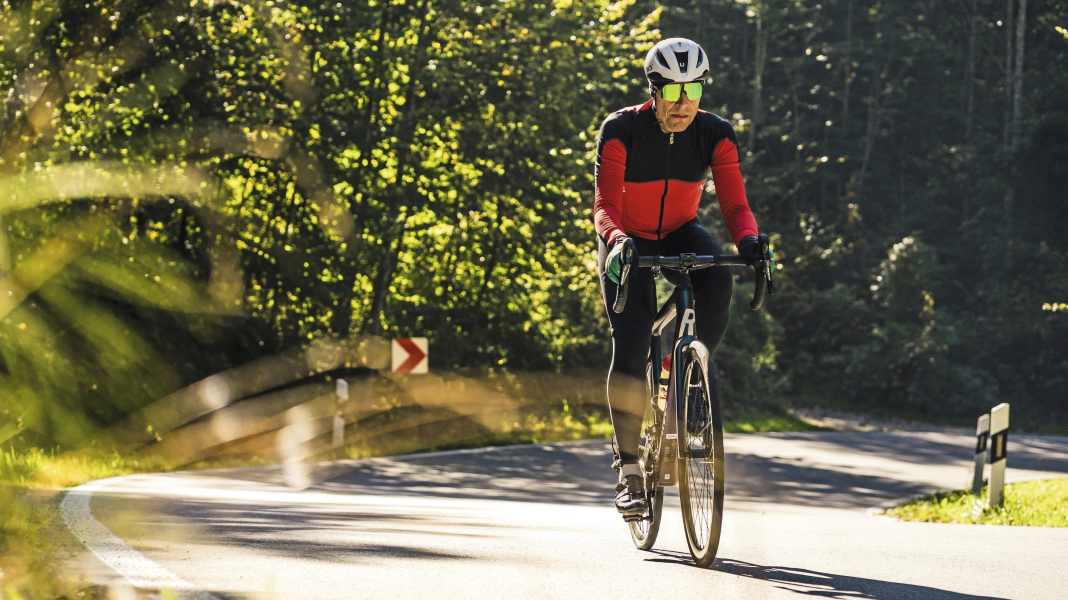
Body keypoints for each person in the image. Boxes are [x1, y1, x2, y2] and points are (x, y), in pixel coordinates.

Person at [593, 38, 763, 518]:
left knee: (718, 279)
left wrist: (749, 241)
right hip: (627, 239)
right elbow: (605, 205)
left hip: (679, 231)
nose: (683, 103)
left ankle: (691, 385)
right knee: (631, 343)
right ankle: (629, 471)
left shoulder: (716, 133)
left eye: (693, 90)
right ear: (654, 90)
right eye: (672, 91)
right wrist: (616, 240)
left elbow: (735, 205)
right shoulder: (621, 129)